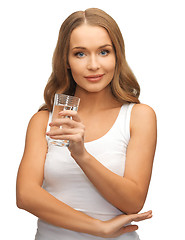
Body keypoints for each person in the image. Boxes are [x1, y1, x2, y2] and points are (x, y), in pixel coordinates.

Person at [16, 8, 157, 240]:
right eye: (80, 54)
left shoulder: (138, 116)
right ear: (66, 60)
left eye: (104, 52)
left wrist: (82, 155)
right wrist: (99, 228)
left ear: (117, 56)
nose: (93, 65)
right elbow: (25, 196)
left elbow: (133, 201)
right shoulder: (44, 121)